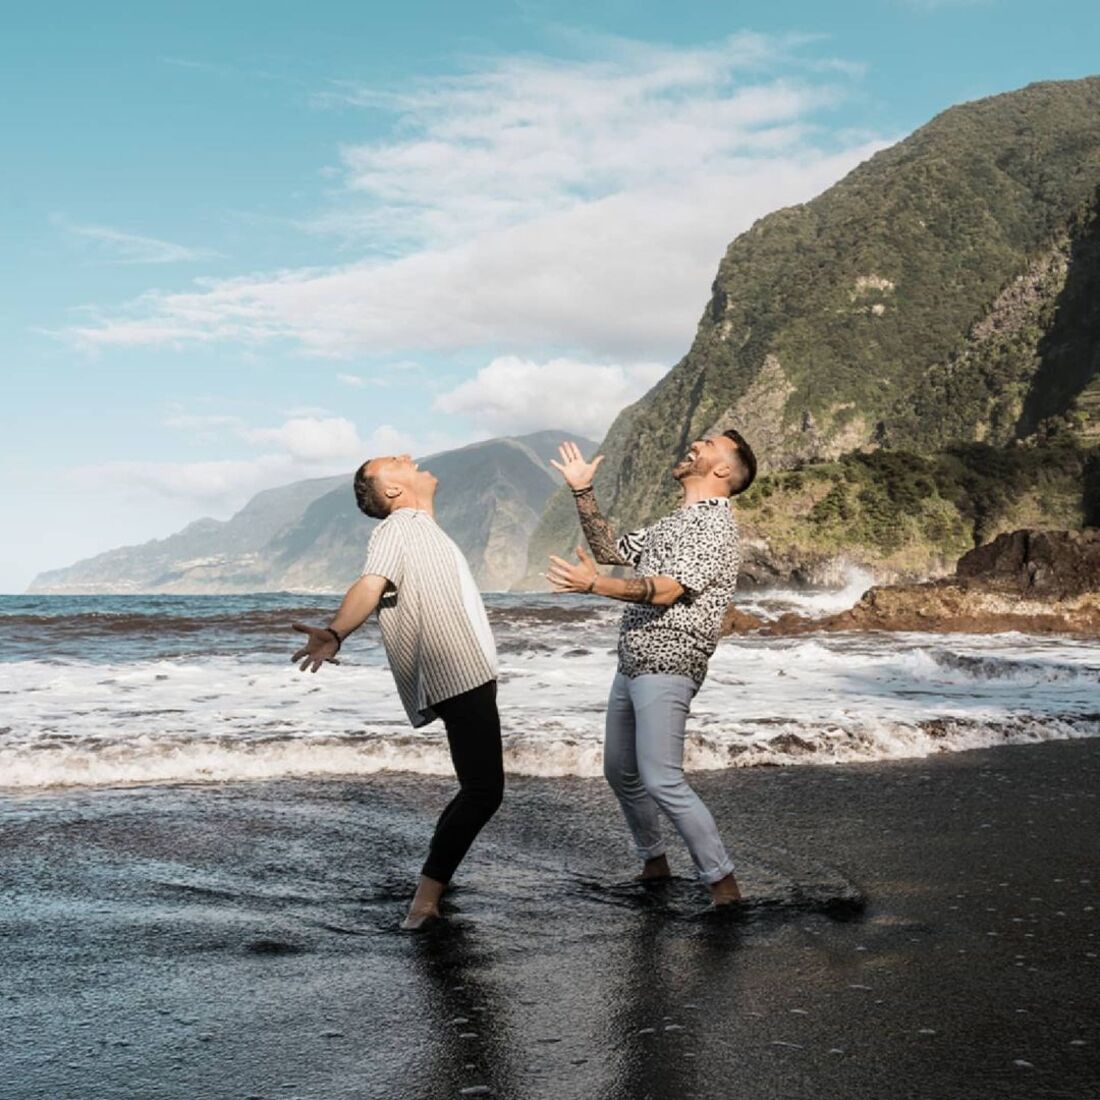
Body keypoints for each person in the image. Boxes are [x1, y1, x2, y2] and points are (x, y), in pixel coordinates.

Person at [291, 453, 503, 931]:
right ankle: (424, 904)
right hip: (456, 671)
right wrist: (336, 632)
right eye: (394, 460)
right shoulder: (398, 527)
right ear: (391, 491)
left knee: (476, 789)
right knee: (484, 791)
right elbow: (371, 584)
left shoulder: (421, 526)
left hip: (466, 670)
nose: (407, 457)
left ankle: (434, 886)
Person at [545, 433, 756, 906]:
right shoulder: (676, 521)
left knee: (662, 778)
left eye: (709, 443)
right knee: (621, 770)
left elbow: (667, 589)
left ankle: (724, 886)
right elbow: (611, 551)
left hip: (670, 659)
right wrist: (582, 491)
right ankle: (655, 863)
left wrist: (595, 586)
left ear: (724, 470)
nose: (696, 442)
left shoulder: (715, 526)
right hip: (634, 659)